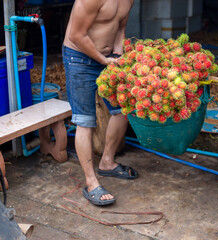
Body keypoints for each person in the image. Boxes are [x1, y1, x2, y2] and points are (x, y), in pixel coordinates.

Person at [62, 0, 138, 206]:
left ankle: (107, 162)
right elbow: (76, 35)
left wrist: (117, 55)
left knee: (122, 110)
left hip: (108, 58)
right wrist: (102, 60)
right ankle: (91, 181)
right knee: (85, 121)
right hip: (79, 58)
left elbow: (120, 28)